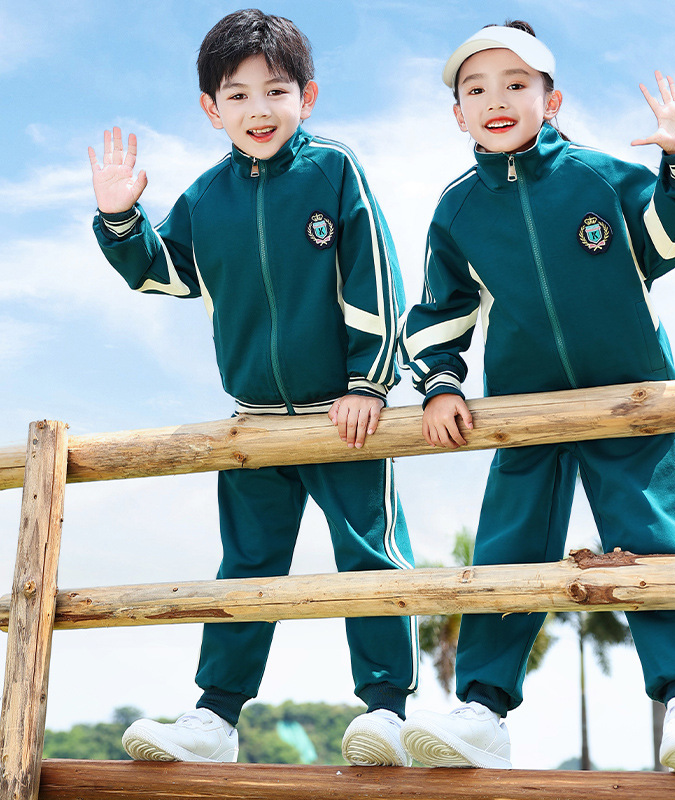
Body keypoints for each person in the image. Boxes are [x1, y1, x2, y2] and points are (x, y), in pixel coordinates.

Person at [88, 10, 417, 767]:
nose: (258, 110)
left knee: (369, 557)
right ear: (212, 109)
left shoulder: (333, 169)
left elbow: (375, 274)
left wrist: (369, 384)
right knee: (245, 567)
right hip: (255, 423)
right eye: (237, 96)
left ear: (307, 96)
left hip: (345, 416)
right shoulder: (207, 198)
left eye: (275, 91)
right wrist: (119, 217)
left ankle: (387, 712)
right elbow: (163, 272)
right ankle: (215, 718)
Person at [398, 21, 675, 773]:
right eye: (476, 89)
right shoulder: (458, 211)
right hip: (525, 411)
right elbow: (439, 311)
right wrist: (441, 384)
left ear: (551, 100)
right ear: (458, 114)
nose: (496, 99)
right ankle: (482, 710)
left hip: (630, 399)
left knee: (652, 531)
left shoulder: (598, 179)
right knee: (507, 548)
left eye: (516, 84)